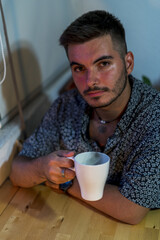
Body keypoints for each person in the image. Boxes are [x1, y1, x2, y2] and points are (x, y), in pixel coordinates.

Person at [10, 10, 160, 224]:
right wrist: (41, 167)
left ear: (128, 63)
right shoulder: (67, 105)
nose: (90, 80)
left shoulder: (154, 117)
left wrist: (66, 183)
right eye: (79, 68)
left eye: (103, 64)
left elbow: (131, 209)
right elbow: (17, 172)